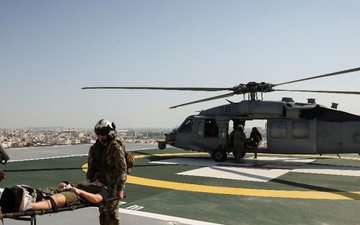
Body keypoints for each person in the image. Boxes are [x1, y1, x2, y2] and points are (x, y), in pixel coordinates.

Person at [87, 119, 127, 225]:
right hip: (100, 185)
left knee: (113, 214)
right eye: (99, 134)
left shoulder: (115, 148)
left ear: (110, 133)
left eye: (103, 133)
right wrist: (92, 183)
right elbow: (91, 168)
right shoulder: (94, 149)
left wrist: (120, 189)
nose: (101, 136)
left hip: (113, 186)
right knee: (103, 213)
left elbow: (122, 170)